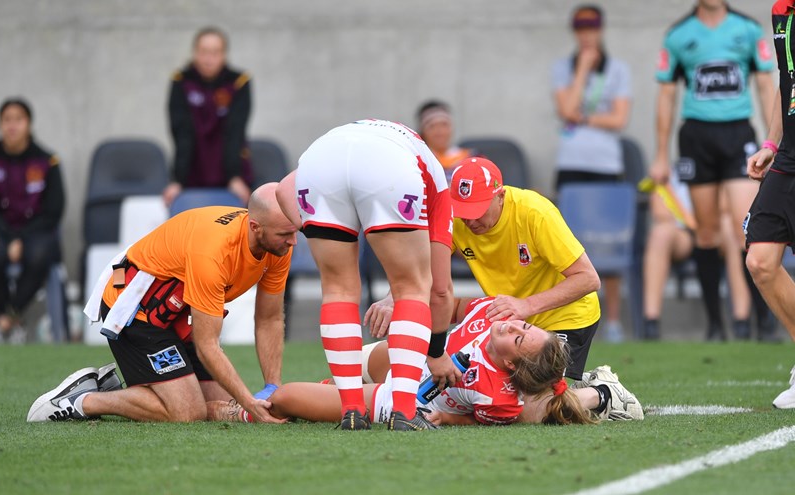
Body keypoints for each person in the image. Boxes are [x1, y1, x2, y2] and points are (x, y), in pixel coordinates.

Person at [26, 183, 296, 423]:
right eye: (285, 233)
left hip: (178, 312)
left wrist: (273, 387)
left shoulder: (277, 244)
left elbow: (269, 319)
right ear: (255, 227)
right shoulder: (214, 252)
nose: (293, 240)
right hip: (135, 309)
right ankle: (81, 400)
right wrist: (249, 402)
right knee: (188, 413)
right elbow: (207, 346)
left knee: (224, 404)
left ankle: (134, 390)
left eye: (294, 231)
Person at [275, 119, 459, 431]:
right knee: (412, 288)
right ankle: (404, 413)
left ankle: (351, 412)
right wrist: (437, 352)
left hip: (320, 160)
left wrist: (315, 229)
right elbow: (439, 291)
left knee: (337, 290)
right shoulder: (435, 178)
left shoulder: (354, 138)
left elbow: (281, 189)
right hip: (389, 168)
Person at [212, 297, 643, 426]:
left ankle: (238, 411)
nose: (516, 326)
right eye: (526, 326)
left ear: (513, 365)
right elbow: (451, 303)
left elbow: (511, 413)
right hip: (405, 358)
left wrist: (445, 417)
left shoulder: (496, 392)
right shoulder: (496, 312)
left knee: (287, 397)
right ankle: (599, 391)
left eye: (520, 337)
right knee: (339, 376)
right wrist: (397, 303)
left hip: (406, 397)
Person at [651, 0, 777, 341]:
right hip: (697, 137)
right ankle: (715, 326)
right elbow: (666, 95)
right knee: (705, 233)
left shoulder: (747, 30)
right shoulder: (678, 35)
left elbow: (767, 86)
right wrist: (661, 154)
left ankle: (763, 323)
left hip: (738, 135)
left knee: (746, 229)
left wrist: (773, 142)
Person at [445, 157, 601, 382]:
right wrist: (395, 298)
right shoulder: (455, 219)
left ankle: (604, 392)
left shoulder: (535, 213)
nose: (469, 220)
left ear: (500, 196)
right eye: (462, 210)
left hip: (565, 315)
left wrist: (525, 305)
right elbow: (423, 267)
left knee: (546, 404)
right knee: (494, 397)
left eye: (476, 210)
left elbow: (588, 279)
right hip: (512, 325)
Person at [552, 5, 632, 343]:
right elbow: (565, 109)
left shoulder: (618, 69)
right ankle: (571, 319)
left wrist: (583, 118)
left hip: (606, 166)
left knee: (610, 242)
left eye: (593, 28)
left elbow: (619, 120)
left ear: (601, 30)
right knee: (567, 246)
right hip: (571, 163)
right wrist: (583, 69)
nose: (587, 35)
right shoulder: (562, 69)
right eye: (581, 29)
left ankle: (612, 320)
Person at [0, 98, 65, 344]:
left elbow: (53, 210)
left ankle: (5, 320)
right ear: (0, 124)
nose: (12, 126)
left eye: (18, 119)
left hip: (36, 233)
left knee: (40, 254)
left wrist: (21, 239)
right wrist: (10, 238)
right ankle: (11, 318)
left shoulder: (47, 161)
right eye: (7, 120)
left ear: (29, 124)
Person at [745, 0, 795, 408]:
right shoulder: (782, 12)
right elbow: (786, 83)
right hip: (789, 157)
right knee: (760, 260)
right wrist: (771, 143)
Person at [642, 178, 752, 339]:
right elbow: (660, 212)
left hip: (715, 230)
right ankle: (651, 322)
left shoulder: (719, 168)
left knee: (732, 232)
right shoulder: (669, 173)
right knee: (660, 234)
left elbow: (727, 206)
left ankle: (741, 320)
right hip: (683, 233)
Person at [163, 26, 253, 207]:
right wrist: (178, 180)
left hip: (231, 174)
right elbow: (182, 133)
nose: (208, 59)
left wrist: (234, 177)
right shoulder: (181, 81)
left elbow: (235, 132)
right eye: (203, 52)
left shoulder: (239, 82)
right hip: (192, 174)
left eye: (215, 52)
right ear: (194, 53)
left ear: (224, 54)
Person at [416, 100, 479, 182]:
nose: (439, 131)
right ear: (422, 131)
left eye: (444, 124)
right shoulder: (418, 162)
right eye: (432, 126)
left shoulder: (473, 159)